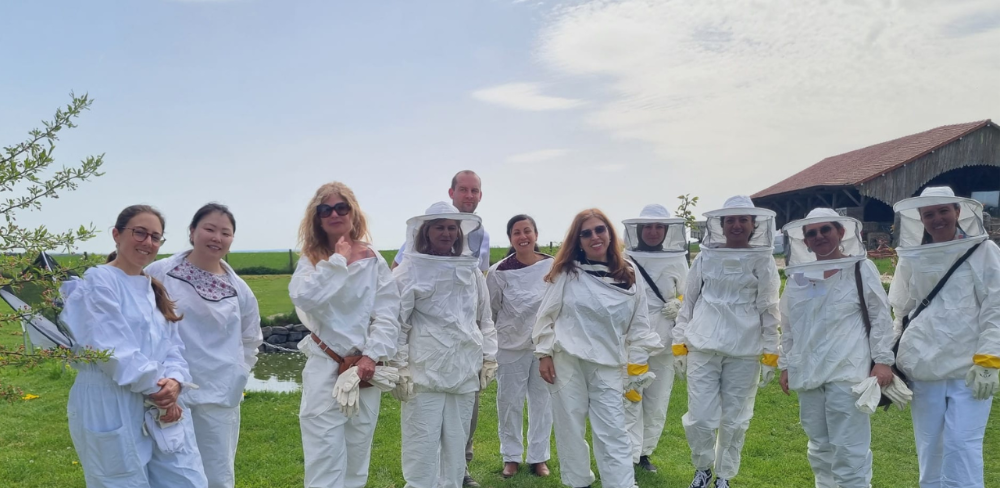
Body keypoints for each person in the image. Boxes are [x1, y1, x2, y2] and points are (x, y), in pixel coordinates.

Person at [60, 205, 208, 488]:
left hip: (161, 402)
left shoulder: (153, 287)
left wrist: (175, 382)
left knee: (187, 480)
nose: (148, 243)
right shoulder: (96, 283)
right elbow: (111, 349)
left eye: (155, 237)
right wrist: (158, 390)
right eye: (140, 233)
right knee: (122, 481)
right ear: (117, 235)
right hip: (110, 400)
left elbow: (173, 346)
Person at [533, 208, 661, 488]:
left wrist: (636, 366)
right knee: (570, 427)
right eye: (586, 233)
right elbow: (546, 315)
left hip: (609, 364)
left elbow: (640, 324)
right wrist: (544, 354)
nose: (594, 237)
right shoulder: (567, 271)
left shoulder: (629, 273)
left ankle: (621, 484)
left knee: (613, 431)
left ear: (609, 233)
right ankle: (579, 482)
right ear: (578, 240)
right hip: (567, 362)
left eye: (599, 230)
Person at [288, 182, 401, 488]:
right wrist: (336, 261)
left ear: (353, 213)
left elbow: (388, 313)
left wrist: (371, 355)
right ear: (317, 217)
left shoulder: (372, 259)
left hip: (364, 370)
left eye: (342, 207)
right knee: (324, 454)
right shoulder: (312, 258)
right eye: (326, 209)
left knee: (357, 453)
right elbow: (306, 298)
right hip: (326, 366)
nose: (334, 214)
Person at [888, 186, 1000, 487]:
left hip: (970, 368)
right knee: (930, 447)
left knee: (963, 445)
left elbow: (996, 305)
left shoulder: (983, 251)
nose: (937, 218)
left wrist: (990, 358)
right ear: (920, 219)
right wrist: (891, 359)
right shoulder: (913, 256)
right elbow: (902, 310)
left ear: (957, 212)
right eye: (929, 214)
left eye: (943, 211)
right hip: (923, 367)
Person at [145, 203, 263, 488]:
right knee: (170, 469)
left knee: (217, 473)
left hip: (220, 393)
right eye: (209, 229)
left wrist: (239, 372)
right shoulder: (159, 273)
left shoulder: (239, 289)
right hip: (169, 389)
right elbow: (141, 324)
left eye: (225, 233)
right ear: (192, 231)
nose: (217, 238)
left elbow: (251, 338)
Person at [777, 208, 897, 488]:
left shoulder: (859, 267)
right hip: (807, 372)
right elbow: (790, 323)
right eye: (812, 233)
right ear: (804, 241)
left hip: (847, 372)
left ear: (841, 232)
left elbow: (880, 315)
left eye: (825, 230)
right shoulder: (798, 277)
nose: (819, 237)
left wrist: (882, 360)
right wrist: (786, 365)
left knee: (849, 449)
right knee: (819, 447)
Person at [672, 195, 780, 488]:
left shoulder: (763, 259)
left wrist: (771, 351)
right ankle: (702, 468)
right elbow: (689, 303)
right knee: (701, 418)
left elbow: (769, 308)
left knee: (735, 420)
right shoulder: (705, 257)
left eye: (742, 219)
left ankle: (724, 476)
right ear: (720, 224)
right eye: (730, 220)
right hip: (703, 347)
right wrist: (679, 343)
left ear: (753, 224)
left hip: (745, 350)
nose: (736, 225)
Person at [390, 170, 490, 487]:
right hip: (424, 375)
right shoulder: (409, 272)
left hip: (463, 374)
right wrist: (399, 366)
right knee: (421, 450)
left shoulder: (470, 271)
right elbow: (397, 324)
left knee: (455, 452)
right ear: (426, 232)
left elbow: (484, 318)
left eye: (451, 227)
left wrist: (489, 357)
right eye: (440, 228)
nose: (446, 233)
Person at [621, 204, 689, 473]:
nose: (652, 232)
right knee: (630, 396)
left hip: (664, 341)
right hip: (632, 341)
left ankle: (645, 452)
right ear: (638, 230)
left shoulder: (678, 260)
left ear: (666, 230)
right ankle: (628, 453)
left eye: (658, 227)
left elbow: (689, 295)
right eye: (647, 227)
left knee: (657, 401)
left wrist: (679, 303)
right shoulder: (624, 259)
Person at [486, 214, 553, 479]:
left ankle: (539, 457)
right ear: (511, 238)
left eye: (527, 231)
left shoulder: (553, 266)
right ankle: (511, 456)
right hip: (509, 347)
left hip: (544, 349)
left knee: (542, 403)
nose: (522, 236)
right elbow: (489, 311)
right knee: (509, 403)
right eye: (516, 232)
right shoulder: (498, 272)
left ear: (535, 234)